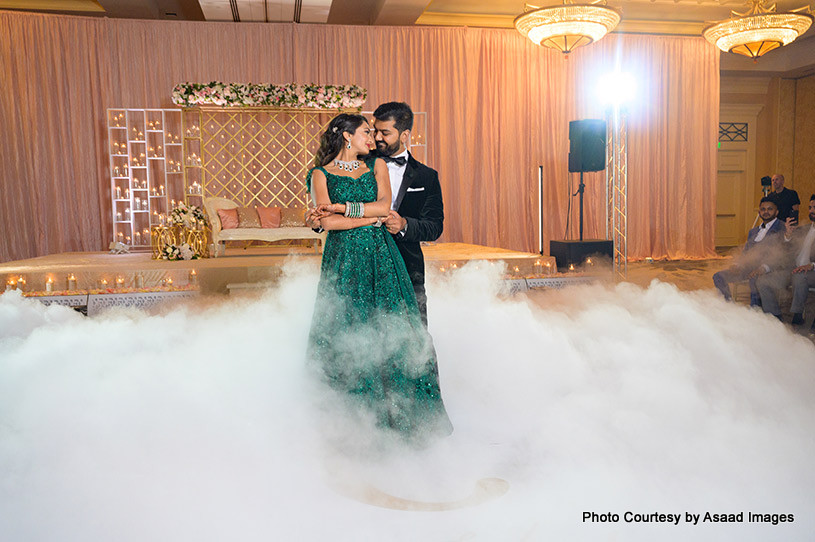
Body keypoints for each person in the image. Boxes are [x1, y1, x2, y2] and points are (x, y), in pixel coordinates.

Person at [304, 113, 452, 441]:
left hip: (387, 260)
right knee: (347, 331)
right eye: (367, 132)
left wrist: (343, 208)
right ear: (346, 136)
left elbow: (384, 206)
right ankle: (350, 425)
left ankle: (409, 422)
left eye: (378, 132)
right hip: (343, 261)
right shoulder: (319, 174)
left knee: (401, 333)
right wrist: (364, 217)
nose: (373, 138)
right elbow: (325, 224)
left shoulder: (379, 167)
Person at [755, 195, 815, 331]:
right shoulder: (803, 229)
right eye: (810, 207)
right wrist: (788, 235)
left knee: (800, 276)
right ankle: (775, 317)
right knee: (763, 281)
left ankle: (797, 314)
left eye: (814, 208)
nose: (811, 210)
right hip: (793, 270)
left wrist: (811, 265)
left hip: (811, 272)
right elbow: (786, 252)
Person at [712, 197, 784, 305]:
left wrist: (764, 268)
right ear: (759, 212)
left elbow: (783, 255)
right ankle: (728, 306)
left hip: (769, 270)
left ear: (776, 211)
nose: (766, 212)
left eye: (770, 209)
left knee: (754, 278)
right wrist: (738, 264)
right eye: (763, 209)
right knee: (718, 276)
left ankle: (754, 312)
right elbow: (746, 252)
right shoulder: (753, 231)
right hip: (748, 267)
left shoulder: (783, 228)